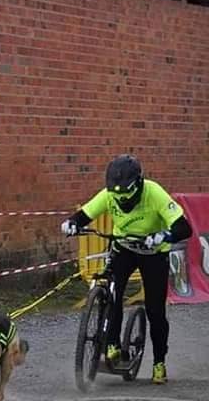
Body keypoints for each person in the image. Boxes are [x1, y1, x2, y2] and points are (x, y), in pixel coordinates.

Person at [60, 155, 192, 385]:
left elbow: (184, 227)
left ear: (139, 184)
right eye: (116, 195)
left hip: (153, 252)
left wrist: (164, 235)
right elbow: (85, 214)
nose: (121, 200)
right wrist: (72, 223)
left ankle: (159, 362)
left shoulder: (154, 193)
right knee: (113, 292)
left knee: (155, 311)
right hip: (124, 247)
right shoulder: (109, 194)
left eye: (126, 195)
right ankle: (112, 344)